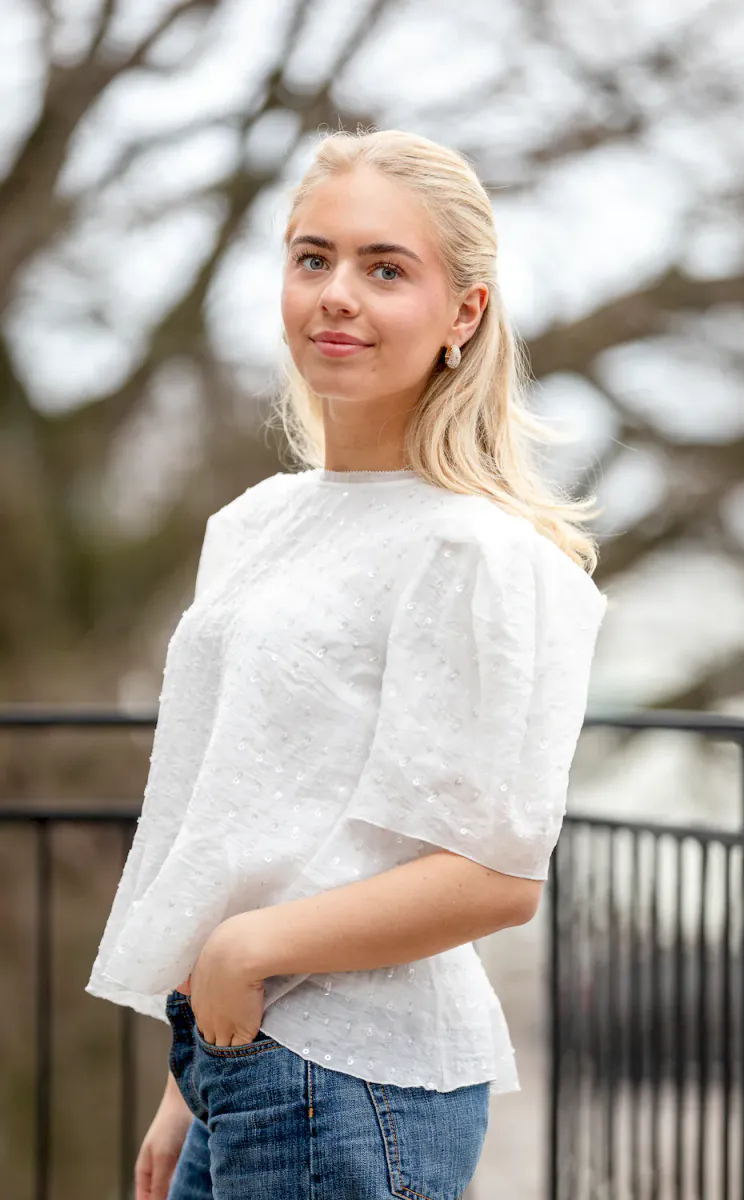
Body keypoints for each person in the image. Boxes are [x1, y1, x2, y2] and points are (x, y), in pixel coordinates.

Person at [86, 128, 609, 1200]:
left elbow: (495, 875)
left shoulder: (478, 550)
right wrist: (193, 1066)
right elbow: (253, 806)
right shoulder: (255, 523)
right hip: (233, 1060)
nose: (335, 294)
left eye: (385, 268)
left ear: (462, 312)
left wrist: (241, 956)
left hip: (359, 1085)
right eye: (311, 257)